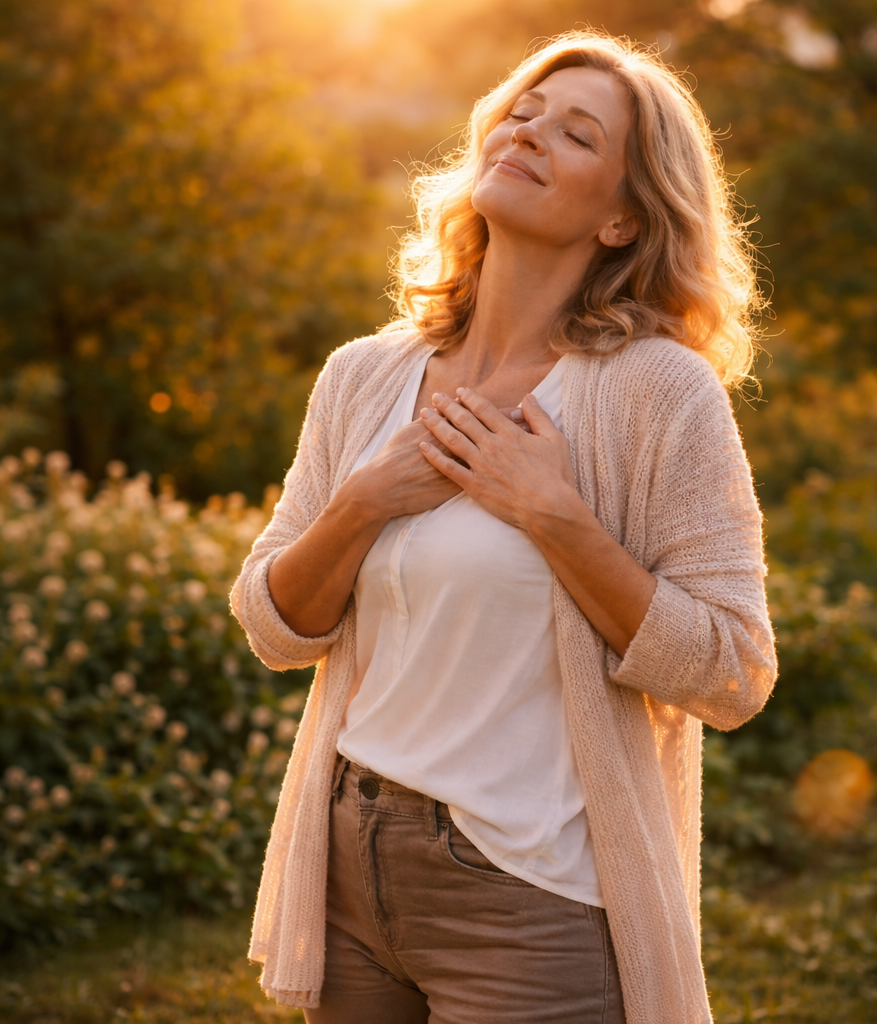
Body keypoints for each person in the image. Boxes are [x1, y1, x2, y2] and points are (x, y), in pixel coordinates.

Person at [231, 30, 776, 1024]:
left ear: (620, 219)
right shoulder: (366, 374)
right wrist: (364, 501)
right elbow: (273, 624)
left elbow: (733, 670)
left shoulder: (656, 392)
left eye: (576, 133)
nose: (529, 131)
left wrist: (556, 517)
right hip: (351, 864)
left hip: (530, 893)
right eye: (523, 110)